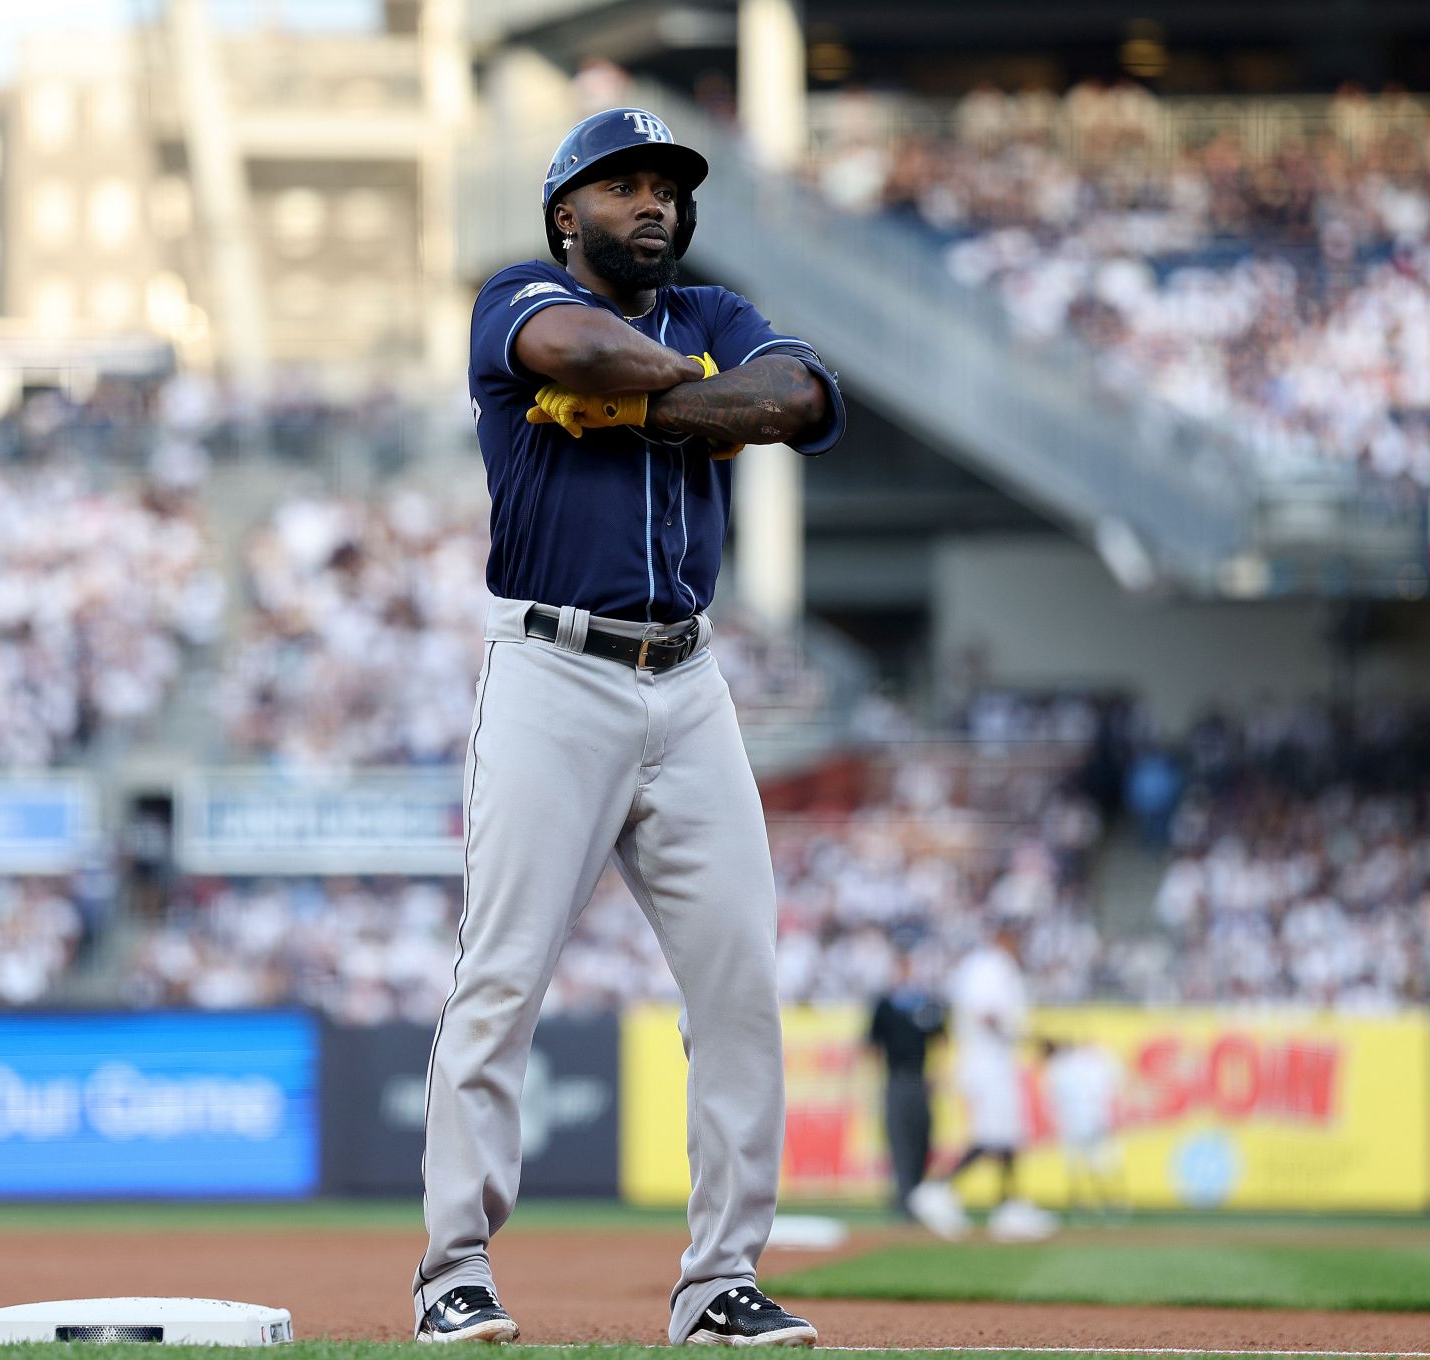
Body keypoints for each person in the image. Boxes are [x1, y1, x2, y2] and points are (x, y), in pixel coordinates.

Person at [412, 107, 845, 1347]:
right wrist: (710, 405)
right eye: (622, 187)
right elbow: (574, 352)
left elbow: (805, 396)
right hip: (553, 672)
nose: (651, 203)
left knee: (740, 983)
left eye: (665, 186)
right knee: (501, 975)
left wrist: (673, 401)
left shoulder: (712, 314)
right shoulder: (516, 293)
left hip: (691, 681)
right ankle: (455, 1267)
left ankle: (719, 1282)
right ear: (567, 213)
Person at [906, 921, 1056, 1242]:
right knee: (992, 1136)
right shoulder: (992, 965)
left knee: (1008, 1135)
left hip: (991, 1061)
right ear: (1004, 936)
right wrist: (1029, 1037)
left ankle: (1010, 1206)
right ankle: (937, 1188)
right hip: (988, 1062)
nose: (1020, 946)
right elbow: (988, 1014)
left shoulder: (981, 965)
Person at [865, 952, 947, 1217]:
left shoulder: (925, 1004)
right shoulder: (886, 1005)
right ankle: (905, 1199)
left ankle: (917, 1193)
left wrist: (939, 1073)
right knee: (900, 1140)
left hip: (921, 1079)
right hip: (896, 1078)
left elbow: (941, 1038)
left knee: (922, 1138)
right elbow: (872, 1045)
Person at [1040, 1036, 1127, 1217]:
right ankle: (1106, 1203)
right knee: (1093, 1164)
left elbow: (1050, 1100)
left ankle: (1101, 1203)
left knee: (1090, 1164)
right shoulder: (1078, 1063)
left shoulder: (1063, 1066)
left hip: (1086, 1121)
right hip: (1088, 1120)